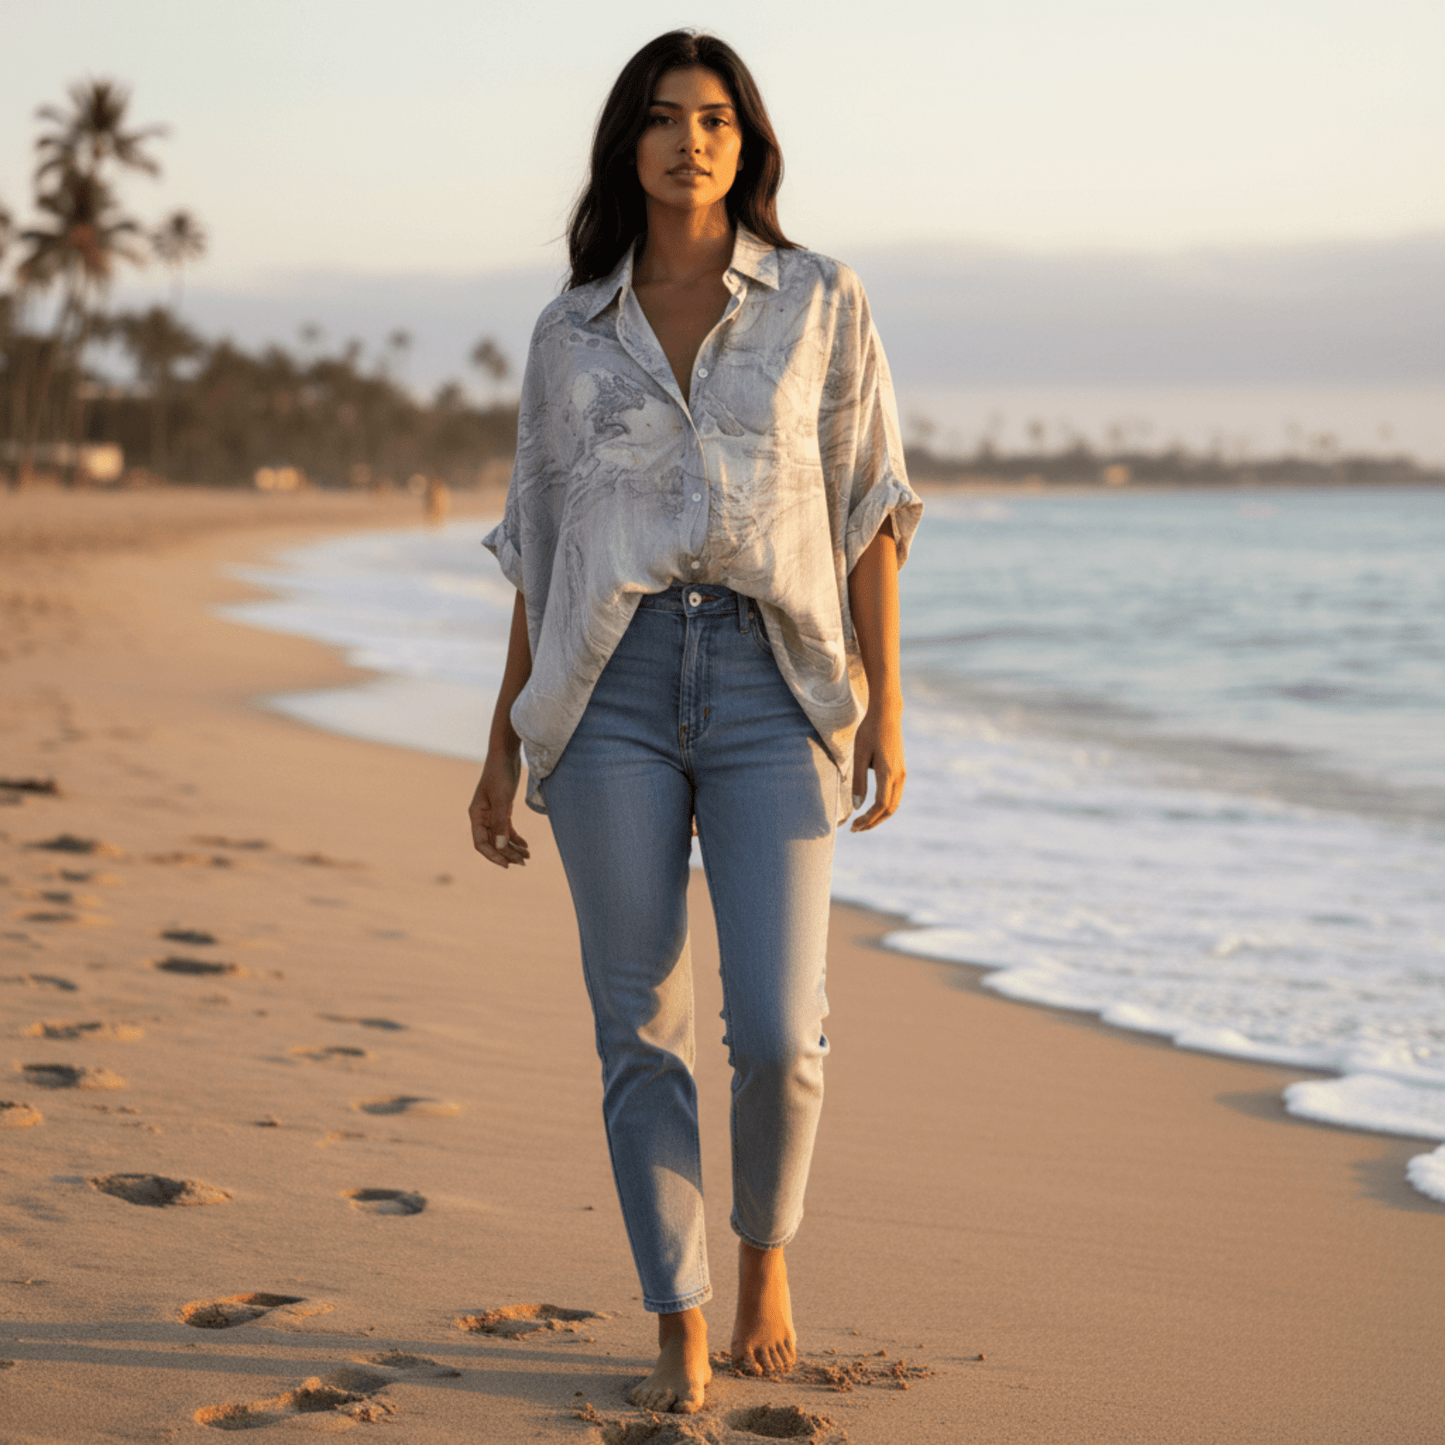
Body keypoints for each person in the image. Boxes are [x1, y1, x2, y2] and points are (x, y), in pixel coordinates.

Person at [468, 28, 921, 1416]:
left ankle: (764, 1252)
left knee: (781, 1028)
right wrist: (500, 746)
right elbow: (542, 547)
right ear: (629, 143)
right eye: (664, 119)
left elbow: (868, 506)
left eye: (716, 118)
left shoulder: (821, 300)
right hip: (606, 690)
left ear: (748, 140)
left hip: (774, 682)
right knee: (638, 1021)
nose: (691, 140)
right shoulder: (569, 331)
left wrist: (886, 703)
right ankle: (676, 1307)